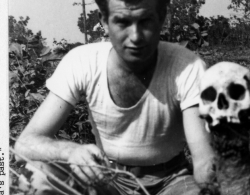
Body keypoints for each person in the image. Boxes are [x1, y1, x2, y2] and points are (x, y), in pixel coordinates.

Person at [15, 0, 215, 194]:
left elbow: (203, 160)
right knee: (36, 176)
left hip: (170, 181)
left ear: (162, 19)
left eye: (145, 20)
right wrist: (70, 151)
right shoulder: (83, 61)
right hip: (105, 178)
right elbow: (26, 142)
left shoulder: (186, 66)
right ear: (104, 21)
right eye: (123, 22)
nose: (135, 36)